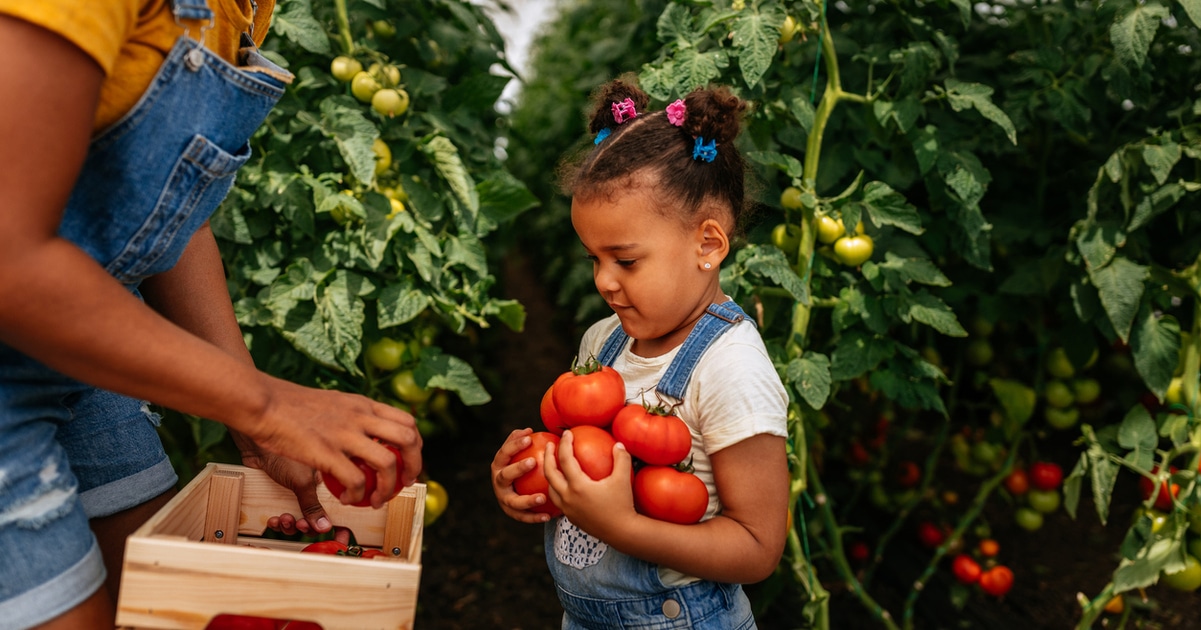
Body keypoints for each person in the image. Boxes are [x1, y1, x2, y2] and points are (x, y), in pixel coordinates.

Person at [0, 2, 423, 629]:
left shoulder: (246, 7)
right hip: (28, 315)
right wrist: (267, 405)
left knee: (160, 583)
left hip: (82, 341)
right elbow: (10, 258)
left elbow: (166, 202)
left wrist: (252, 425)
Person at [490, 78, 789, 629]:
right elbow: (586, 459)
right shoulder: (602, 342)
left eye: (625, 261)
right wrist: (535, 477)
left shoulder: (730, 369)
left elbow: (758, 547)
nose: (604, 281)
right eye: (593, 259)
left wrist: (622, 527)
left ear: (708, 245)